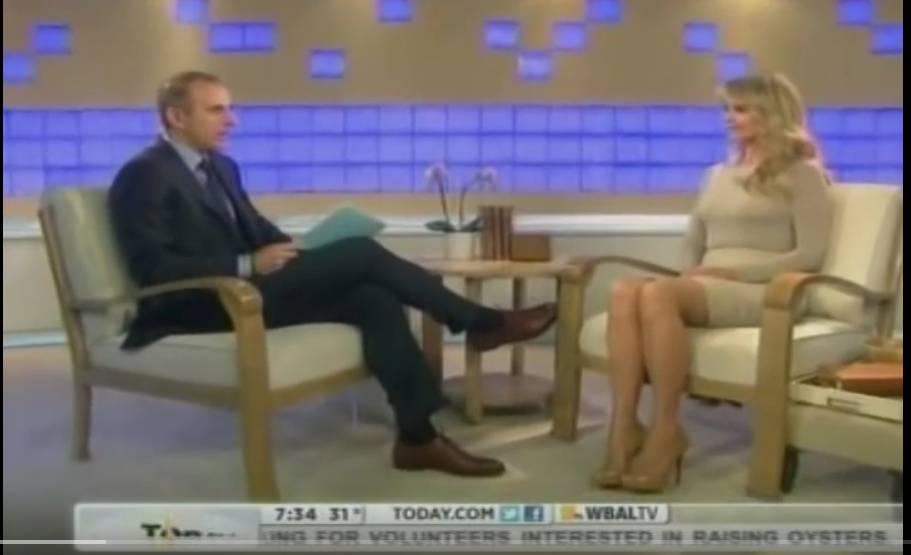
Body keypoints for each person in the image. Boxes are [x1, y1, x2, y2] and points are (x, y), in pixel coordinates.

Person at [108, 70, 558, 478]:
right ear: (176, 117)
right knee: (362, 253)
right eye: (216, 110)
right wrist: (246, 265)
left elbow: (255, 227)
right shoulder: (144, 174)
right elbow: (152, 269)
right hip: (197, 303)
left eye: (230, 108)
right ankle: (482, 323)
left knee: (373, 297)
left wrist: (299, 249)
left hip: (247, 287)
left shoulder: (221, 166)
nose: (233, 120)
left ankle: (417, 438)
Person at [592, 73, 833, 493]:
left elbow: (810, 254)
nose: (728, 117)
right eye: (726, 109)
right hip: (708, 285)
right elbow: (694, 242)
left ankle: (666, 431)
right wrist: (688, 274)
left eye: (740, 109)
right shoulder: (716, 175)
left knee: (656, 293)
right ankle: (624, 427)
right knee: (624, 290)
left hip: (765, 288)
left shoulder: (803, 175)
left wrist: (734, 274)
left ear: (771, 114)